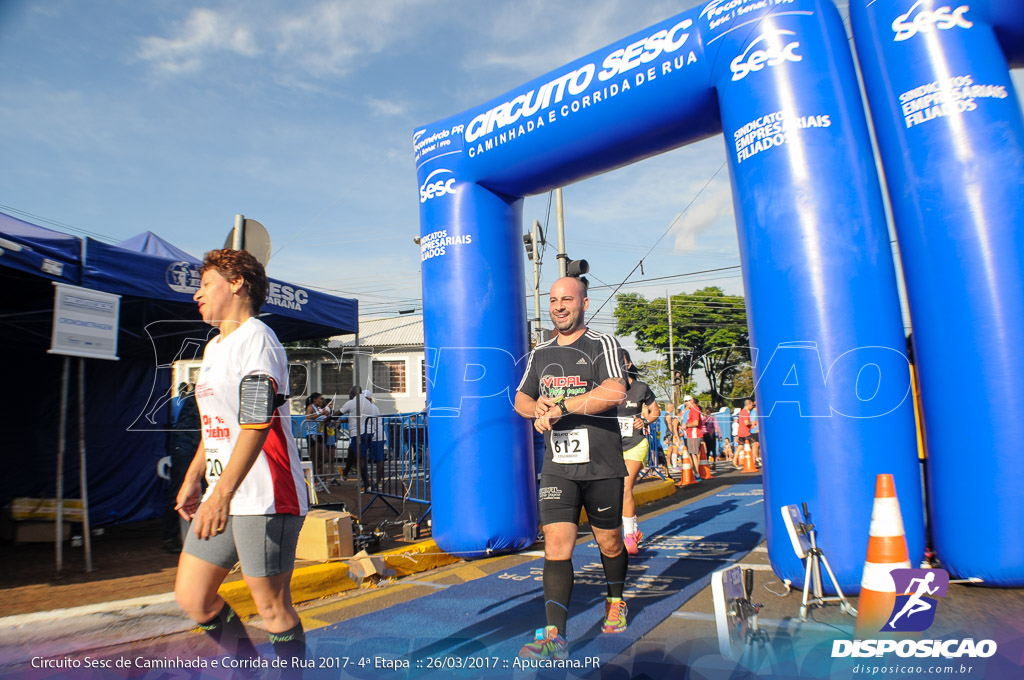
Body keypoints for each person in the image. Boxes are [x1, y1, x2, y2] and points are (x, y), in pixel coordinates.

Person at [174, 248, 308, 669]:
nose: (197, 295)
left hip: (264, 495)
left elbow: (255, 422)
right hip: (224, 493)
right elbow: (218, 423)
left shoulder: (258, 340)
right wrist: (196, 477)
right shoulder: (215, 347)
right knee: (194, 598)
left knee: (272, 609)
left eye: (205, 284)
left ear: (237, 284)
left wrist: (222, 494)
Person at [514, 276, 629, 660]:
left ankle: (616, 600)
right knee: (557, 545)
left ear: (584, 302)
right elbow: (521, 399)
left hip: (601, 464)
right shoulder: (541, 352)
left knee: (609, 541)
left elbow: (615, 390)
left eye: (567, 299)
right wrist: (539, 411)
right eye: (553, 300)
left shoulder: (601, 344)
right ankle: (554, 635)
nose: (559, 306)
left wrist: (564, 406)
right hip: (558, 466)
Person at [615, 350, 659, 555]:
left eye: (621, 362)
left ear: (629, 364)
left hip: (635, 442)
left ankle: (630, 534)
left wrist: (645, 420)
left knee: (625, 487)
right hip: (611, 444)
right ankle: (634, 526)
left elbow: (655, 411)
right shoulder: (606, 389)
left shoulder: (641, 388)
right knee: (614, 491)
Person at [165, 383, 201, 553]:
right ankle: (171, 537)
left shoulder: (196, 397)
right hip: (187, 449)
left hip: (192, 448)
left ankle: (193, 537)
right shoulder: (198, 398)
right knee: (179, 493)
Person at [339, 386, 373, 486]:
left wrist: (328, 420)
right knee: (350, 451)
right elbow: (355, 417)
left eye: (349, 394)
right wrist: (342, 421)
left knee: (361, 459)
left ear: (353, 393)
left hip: (358, 433)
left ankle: (366, 484)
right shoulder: (367, 402)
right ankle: (345, 472)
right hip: (367, 433)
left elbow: (339, 412)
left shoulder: (352, 402)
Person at [304, 392, 329, 476]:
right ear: (315, 399)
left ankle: (317, 475)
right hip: (312, 435)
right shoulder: (311, 407)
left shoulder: (318, 408)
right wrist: (322, 414)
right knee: (315, 458)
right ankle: (313, 478)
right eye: (320, 399)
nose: (321, 400)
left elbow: (320, 419)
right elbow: (308, 417)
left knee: (324, 457)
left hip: (319, 434)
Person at [679, 395, 703, 484]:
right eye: (685, 401)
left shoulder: (694, 409)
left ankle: (696, 474)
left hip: (694, 434)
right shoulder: (689, 410)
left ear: (692, 400)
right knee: (692, 454)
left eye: (688, 401)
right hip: (690, 434)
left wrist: (686, 426)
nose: (686, 403)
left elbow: (696, 422)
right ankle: (695, 473)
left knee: (694, 455)